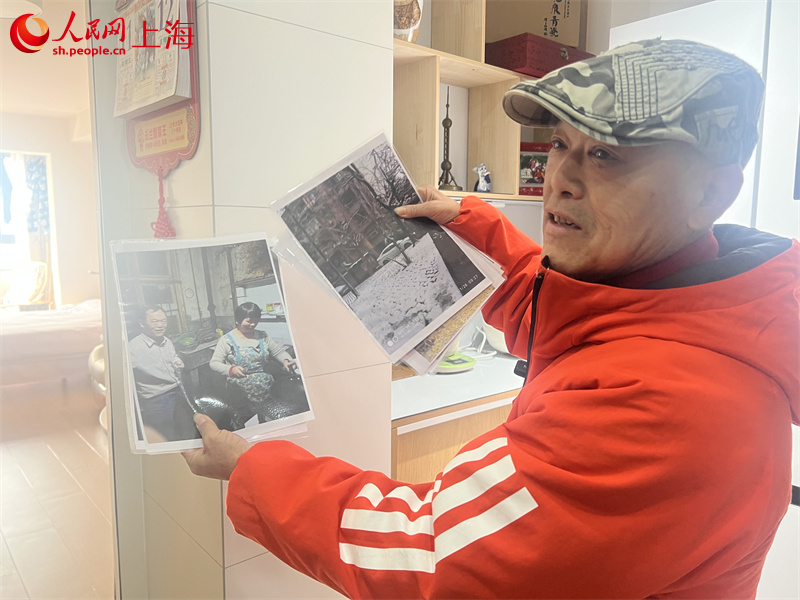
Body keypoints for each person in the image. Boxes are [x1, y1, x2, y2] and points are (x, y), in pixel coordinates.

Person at [183, 39, 799, 599]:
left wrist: (251, 469)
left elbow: (430, 552)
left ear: (710, 194)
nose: (560, 180)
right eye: (560, 144)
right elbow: (562, 314)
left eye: (606, 156)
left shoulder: (668, 406)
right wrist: (471, 224)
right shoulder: (680, 296)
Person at [209, 301, 297, 427]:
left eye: (256, 320)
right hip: (240, 393)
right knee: (245, 423)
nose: (253, 324)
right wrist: (231, 369)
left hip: (265, 389)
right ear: (237, 321)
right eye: (249, 321)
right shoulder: (226, 340)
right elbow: (214, 363)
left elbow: (278, 352)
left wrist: (287, 360)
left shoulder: (262, 336)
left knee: (266, 420)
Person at [128, 305, 192, 442]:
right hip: (155, 400)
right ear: (142, 323)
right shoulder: (132, 348)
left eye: (163, 321)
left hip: (177, 392)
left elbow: (172, 356)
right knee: (164, 438)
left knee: (186, 431)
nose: (160, 325)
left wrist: (177, 360)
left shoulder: (167, 341)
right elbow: (126, 380)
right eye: (154, 321)